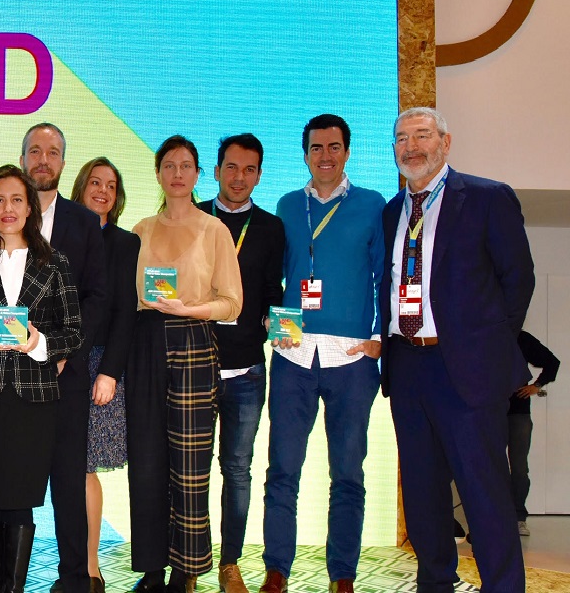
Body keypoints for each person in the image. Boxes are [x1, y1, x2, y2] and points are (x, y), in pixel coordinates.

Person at [380, 107, 534, 593]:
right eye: (401, 138)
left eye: (422, 135)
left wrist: (486, 350)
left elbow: (518, 280)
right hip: (407, 366)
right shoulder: (392, 211)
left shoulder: (487, 197)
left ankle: (503, 586)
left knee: (484, 492)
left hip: (467, 371)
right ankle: (435, 585)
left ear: (445, 142)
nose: (411, 146)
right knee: (423, 496)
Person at [260, 114, 384, 593]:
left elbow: (385, 276)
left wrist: (381, 337)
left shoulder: (372, 204)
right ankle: (277, 571)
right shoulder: (288, 205)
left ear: (347, 152)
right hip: (293, 356)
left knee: (348, 474)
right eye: (316, 148)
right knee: (282, 470)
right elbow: (274, 276)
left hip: (352, 359)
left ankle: (343, 576)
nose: (325, 156)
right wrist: (272, 322)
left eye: (334, 147)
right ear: (305, 154)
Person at [0, 165, 84, 593]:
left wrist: (39, 343)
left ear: (30, 208)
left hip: (35, 399)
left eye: (16, 199)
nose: (7, 208)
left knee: (22, 500)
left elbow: (74, 331)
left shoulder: (55, 263)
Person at [128, 135, 241, 593]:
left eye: (186, 166)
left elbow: (232, 303)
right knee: (147, 461)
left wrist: (190, 310)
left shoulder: (215, 230)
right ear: (157, 173)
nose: (177, 173)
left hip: (194, 342)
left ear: (197, 174)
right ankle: (152, 568)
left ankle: (185, 569)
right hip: (145, 344)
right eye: (169, 165)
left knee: (191, 465)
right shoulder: (139, 230)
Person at [19, 123, 108, 593]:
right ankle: (9, 579)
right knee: (14, 482)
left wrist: (62, 350)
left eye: (52, 152)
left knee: (68, 484)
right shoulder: (3, 211)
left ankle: (73, 579)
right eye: (35, 151)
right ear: (23, 159)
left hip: (65, 371)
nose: (43, 159)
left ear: (63, 163)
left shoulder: (84, 222)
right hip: (11, 371)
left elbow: (98, 297)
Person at [194, 134, 285, 593]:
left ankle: (230, 563)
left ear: (259, 175)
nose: (239, 177)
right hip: (193, 368)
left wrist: (276, 321)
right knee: (190, 469)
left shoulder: (270, 228)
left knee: (237, 470)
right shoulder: (192, 218)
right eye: (231, 167)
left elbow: (272, 291)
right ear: (216, 171)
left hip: (247, 371)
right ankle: (188, 564)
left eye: (249, 169)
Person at [68, 157, 140, 593]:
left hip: (97, 367)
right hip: (54, 361)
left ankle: (91, 568)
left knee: (83, 466)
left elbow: (126, 313)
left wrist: (110, 372)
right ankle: (71, 567)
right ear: (80, 188)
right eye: (95, 182)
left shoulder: (125, 243)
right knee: (61, 468)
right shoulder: (57, 235)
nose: (102, 191)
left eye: (110, 186)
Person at [511, 330, 559, 536]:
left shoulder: (521, 338)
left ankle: (519, 518)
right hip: (489, 413)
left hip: (518, 413)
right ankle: (494, 516)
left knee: (519, 468)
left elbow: (552, 362)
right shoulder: (485, 334)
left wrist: (536, 386)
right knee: (489, 467)